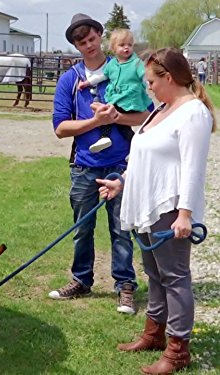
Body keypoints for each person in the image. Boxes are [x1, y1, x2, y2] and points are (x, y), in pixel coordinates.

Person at [97, 48, 216, 374]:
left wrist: (186, 214)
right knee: (154, 274)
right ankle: (154, 334)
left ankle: (178, 351)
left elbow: (193, 168)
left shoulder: (193, 113)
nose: (147, 87)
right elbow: (141, 155)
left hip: (169, 207)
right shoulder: (160, 110)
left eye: (151, 81)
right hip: (147, 206)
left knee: (175, 278)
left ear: (169, 77)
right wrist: (121, 182)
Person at [49, 13, 152, 314]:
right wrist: (95, 120)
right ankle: (81, 280)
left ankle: (125, 286)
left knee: (121, 228)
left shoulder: (124, 69)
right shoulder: (70, 79)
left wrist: (117, 118)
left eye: (92, 38)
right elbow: (60, 128)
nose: (89, 45)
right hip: (83, 166)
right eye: (82, 42)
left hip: (120, 165)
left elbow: (147, 116)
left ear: (100, 35)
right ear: (76, 46)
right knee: (83, 227)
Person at [77, 28, 152, 153]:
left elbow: (145, 75)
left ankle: (105, 137)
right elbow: (102, 76)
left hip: (130, 99)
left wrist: (150, 83)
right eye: (122, 45)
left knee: (108, 114)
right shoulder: (112, 65)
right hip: (117, 99)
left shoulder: (136, 63)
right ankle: (134, 148)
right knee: (123, 127)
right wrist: (87, 83)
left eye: (129, 45)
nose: (126, 48)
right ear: (113, 48)